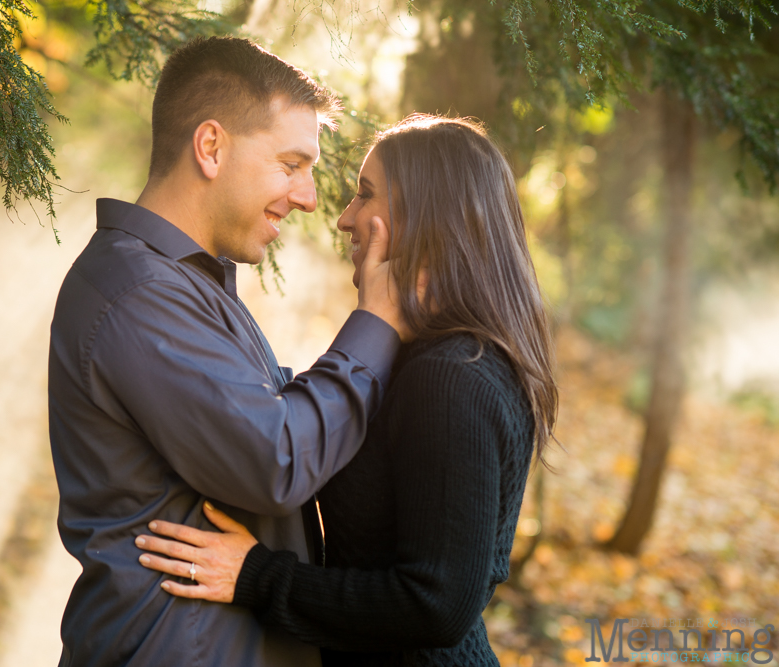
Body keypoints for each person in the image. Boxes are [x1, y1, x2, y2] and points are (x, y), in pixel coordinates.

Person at [135, 115, 560, 667]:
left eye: (366, 195)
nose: (344, 219)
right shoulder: (431, 358)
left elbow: (436, 604)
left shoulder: (452, 374)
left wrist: (256, 578)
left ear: (426, 217)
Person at [48, 37, 412, 667]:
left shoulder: (182, 283)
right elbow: (275, 457)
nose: (307, 197)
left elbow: (261, 422)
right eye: (291, 164)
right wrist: (377, 324)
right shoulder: (138, 293)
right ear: (211, 147)